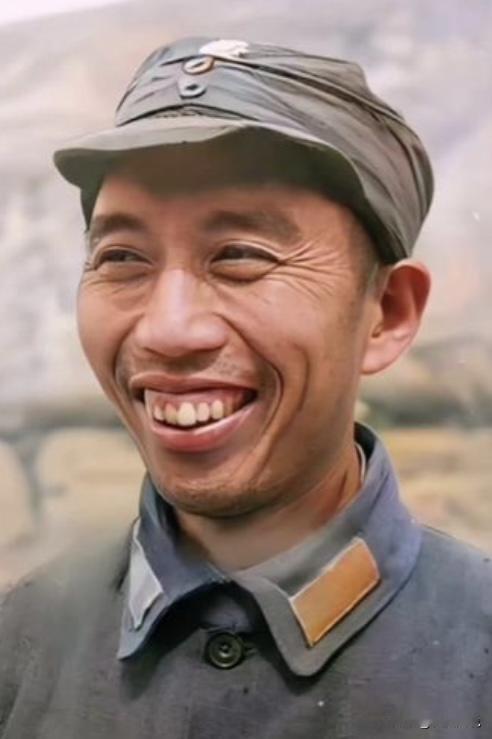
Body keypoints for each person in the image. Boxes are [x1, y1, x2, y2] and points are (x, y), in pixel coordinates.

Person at [0, 36, 490, 738]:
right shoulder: (25, 643)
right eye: (123, 257)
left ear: (386, 313)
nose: (168, 330)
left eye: (240, 256)